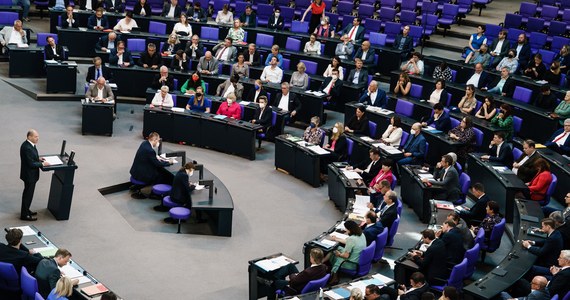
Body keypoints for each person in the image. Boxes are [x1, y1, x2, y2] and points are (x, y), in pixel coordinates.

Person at [324, 220, 366, 285]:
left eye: (346, 229)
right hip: (358, 259)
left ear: (350, 229)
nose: (346, 231)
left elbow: (346, 256)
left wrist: (339, 254)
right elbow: (349, 243)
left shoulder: (351, 239)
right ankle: (324, 263)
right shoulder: (361, 234)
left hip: (351, 263)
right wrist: (336, 239)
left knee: (334, 252)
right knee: (336, 248)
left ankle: (334, 276)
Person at [20, 129, 49, 221]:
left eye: (38, 136)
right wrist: (43, 164)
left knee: (29, 194)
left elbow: (32, 158)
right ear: (29, 137)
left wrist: (38, 159)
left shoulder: (30, 145)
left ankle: (26, 210)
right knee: (28, 195)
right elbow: (30, 164)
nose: (37, 138)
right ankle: (24, 215)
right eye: (35, 137)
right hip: (29, 176)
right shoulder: (27, 148)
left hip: (30, 175)